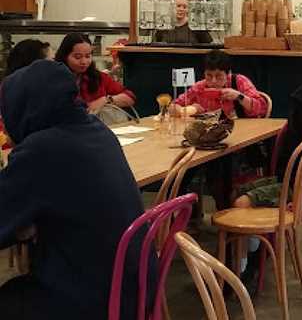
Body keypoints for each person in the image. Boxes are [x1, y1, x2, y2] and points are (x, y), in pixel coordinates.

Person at [0, 60, 154, 319]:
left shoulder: (41, 148)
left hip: (92, 300)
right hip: (136, 287)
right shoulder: (98, 131)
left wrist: (23, 221)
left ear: (24, 106)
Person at [231, 78, 302, 294]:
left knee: (240, 203)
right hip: (291, 184)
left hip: (295, 190)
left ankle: (249, 267)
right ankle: (251, 254)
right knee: (235, 192)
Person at [55, 33, 136, 114]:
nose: (84, 62)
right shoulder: (53, 79)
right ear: (64, 56)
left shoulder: (98, 77)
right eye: (78, 57)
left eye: (87, 56)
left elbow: (130, 97)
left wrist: (106, 100)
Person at [172, 49, 267, 118]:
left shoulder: (239, 81)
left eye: (218, 76)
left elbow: (262, 109)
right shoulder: (199, 87)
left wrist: (239, 96)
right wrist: (187, 110)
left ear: (228, 73)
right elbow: (173, 106)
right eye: (209, 75)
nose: (213, 81)